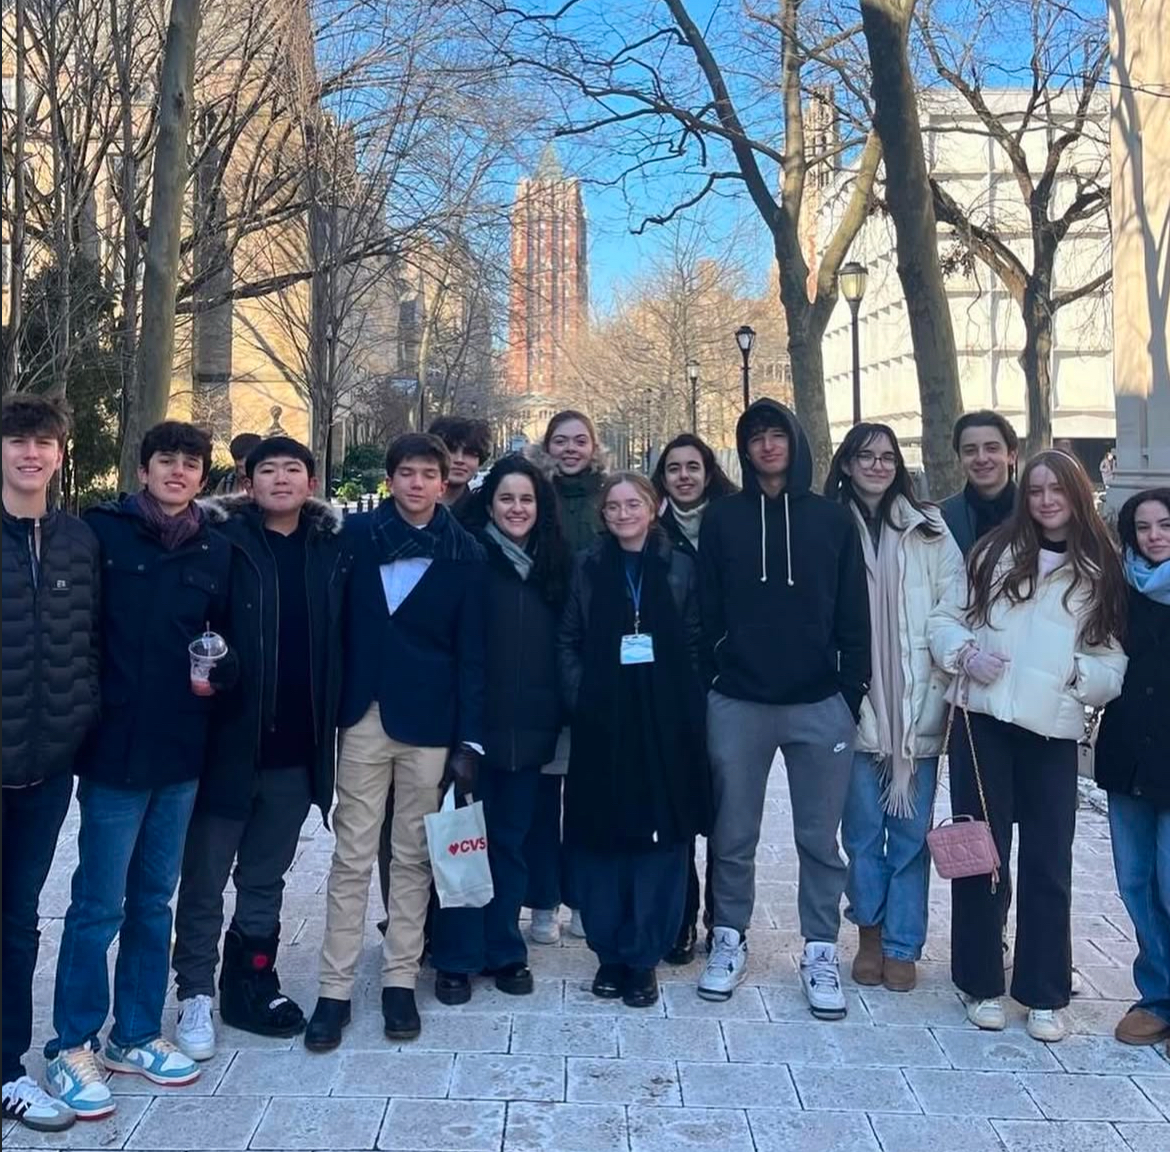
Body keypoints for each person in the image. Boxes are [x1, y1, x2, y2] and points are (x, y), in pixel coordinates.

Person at [44, 422, 236, 1118]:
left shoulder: (216, 550)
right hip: (114, 749)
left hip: (181, 750)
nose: (178, 473)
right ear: (144, 467)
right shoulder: (103, 533)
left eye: (190, 464)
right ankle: (71, 1041)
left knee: (155, 900)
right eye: (166, 461)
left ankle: (132, 1032)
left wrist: (222, 670)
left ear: (203, 476)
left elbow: (224, 642)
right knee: (99, 903)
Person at [929, 450, 1127, 1042]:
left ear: (1076, 495)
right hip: (983, 721)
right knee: (979, 854)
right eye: (1036, 490)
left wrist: (1075, 680)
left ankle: (1043, 991)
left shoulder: (1098, 570)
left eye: (1056, 490)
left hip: (1050, 733)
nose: (1045, 500)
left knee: (1048, 861)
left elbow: (1110, 659)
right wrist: (966, 654)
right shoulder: (992, 553)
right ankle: (979, 979)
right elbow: (945, 619)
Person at [172, 437, 352, 1061]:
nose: (281, 479)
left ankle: (251, 976)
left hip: (297, 748)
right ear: (249, 481)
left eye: (293, 469)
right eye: (268, 469)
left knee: (265, 878)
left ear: (310, 479)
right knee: (204, 878)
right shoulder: (221, 542)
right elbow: (192, 621)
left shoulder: (333, 548)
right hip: (227, 743)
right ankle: (194, 988)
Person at [306, 433, 485, 1051]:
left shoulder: (464, 552)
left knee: (412, 856)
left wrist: (470, 741)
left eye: (427, 474)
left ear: (444, 483)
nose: (416, 483)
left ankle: (400, 980)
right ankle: (333, 989)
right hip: (362, 716)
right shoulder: (353, 538)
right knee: (352, 856)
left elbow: (473, 655)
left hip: (431, 725)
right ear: (391, 479)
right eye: (405, 472)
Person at [697, 398, 870, 1019]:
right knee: (733, 832)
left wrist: (850, 692)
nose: (768, 446)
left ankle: (820, 946)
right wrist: (715, 673)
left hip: (820, 704)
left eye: (778, 435)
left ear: (795, 442)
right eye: (756, 438)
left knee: (819, 839)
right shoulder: (723, 520)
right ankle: (729, 937)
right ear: (744, 450)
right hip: (739, 700)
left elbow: (854, 611)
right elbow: (705, 608)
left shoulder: (831, 521)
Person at [559, 473, 710, 1008]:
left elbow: (695, 641)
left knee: (660, 837)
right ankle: (609, 952)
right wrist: (584, 699)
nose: (623, 514)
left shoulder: (681, 566)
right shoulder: (588, 566)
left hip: (665, 724)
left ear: (655, 507)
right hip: (603, 722)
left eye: (634, 504)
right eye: (614, 506)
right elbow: (568, 640)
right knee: (602, 835)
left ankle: (644, 955)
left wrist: (684, 702)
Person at [824, 424, 964, 993]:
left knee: (910, 836)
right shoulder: (830, 525)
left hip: (916, 703)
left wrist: (943, 667)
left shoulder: (930, 530)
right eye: (866, 456)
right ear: (848, 464)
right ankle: (870, 934)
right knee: (860, 833)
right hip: (856, 703)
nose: (878, 465)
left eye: (887, 457)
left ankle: (905, 942)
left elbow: (952, 603)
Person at [429, 455, 571, 1004]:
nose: (517, 509)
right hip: (472, 728)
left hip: (531, 730)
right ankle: (456, 956)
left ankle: (504, 947)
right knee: (464, 842)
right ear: (490, 504)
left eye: (527, 499)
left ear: (541, 507)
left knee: (510, 843)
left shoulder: (555, 563)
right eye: (507, 499)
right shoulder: (467, 557)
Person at [1, 396, 100, 1133]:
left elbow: (91, 640)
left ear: (61, 454)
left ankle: (8, 1064)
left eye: (43, 442)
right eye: (16, 442)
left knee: (18, 921)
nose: (30, 454)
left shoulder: (76, 540)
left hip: (45, 767)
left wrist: (78, 726)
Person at [650, 433, 737, 964]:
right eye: (674, 468)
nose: (684, 476)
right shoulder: (653, 533)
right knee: (678, 805)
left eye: (693, 467)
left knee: (728, 811)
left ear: (708, 472)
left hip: (730, 684)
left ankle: (722, 919)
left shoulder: (734, 525)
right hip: (671, 689)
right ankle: (679, 915)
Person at [523, 410, 606, 944]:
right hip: (538, 654)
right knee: (539, 793)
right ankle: (543, 900)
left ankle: (582, 896)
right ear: (547, 445)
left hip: (596, 655)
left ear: (593, 446)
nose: (571, 448)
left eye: (580, 440)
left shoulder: (610, 495)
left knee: (588, 791)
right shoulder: (532, 494)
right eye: (561, 440)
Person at [1095, 489, 1170, 1048]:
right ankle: (1157, 995)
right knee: (1136, 881)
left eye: (1165, 524)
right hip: (1128, 756)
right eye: (1142, 527)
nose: (1154, 536)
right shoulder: (1116, 588)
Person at [940, 411, 1019, 558]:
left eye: (992, 448)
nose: (981, 458)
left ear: (1011, 456)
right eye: (970, 451)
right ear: (960, 459)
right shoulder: (941, 518)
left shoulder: (1036, 510)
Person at [428, 414, 492, 525]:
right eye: (451, 450)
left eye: (470, 453)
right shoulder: (408, 507)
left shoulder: (486, 515)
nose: (459, 460)